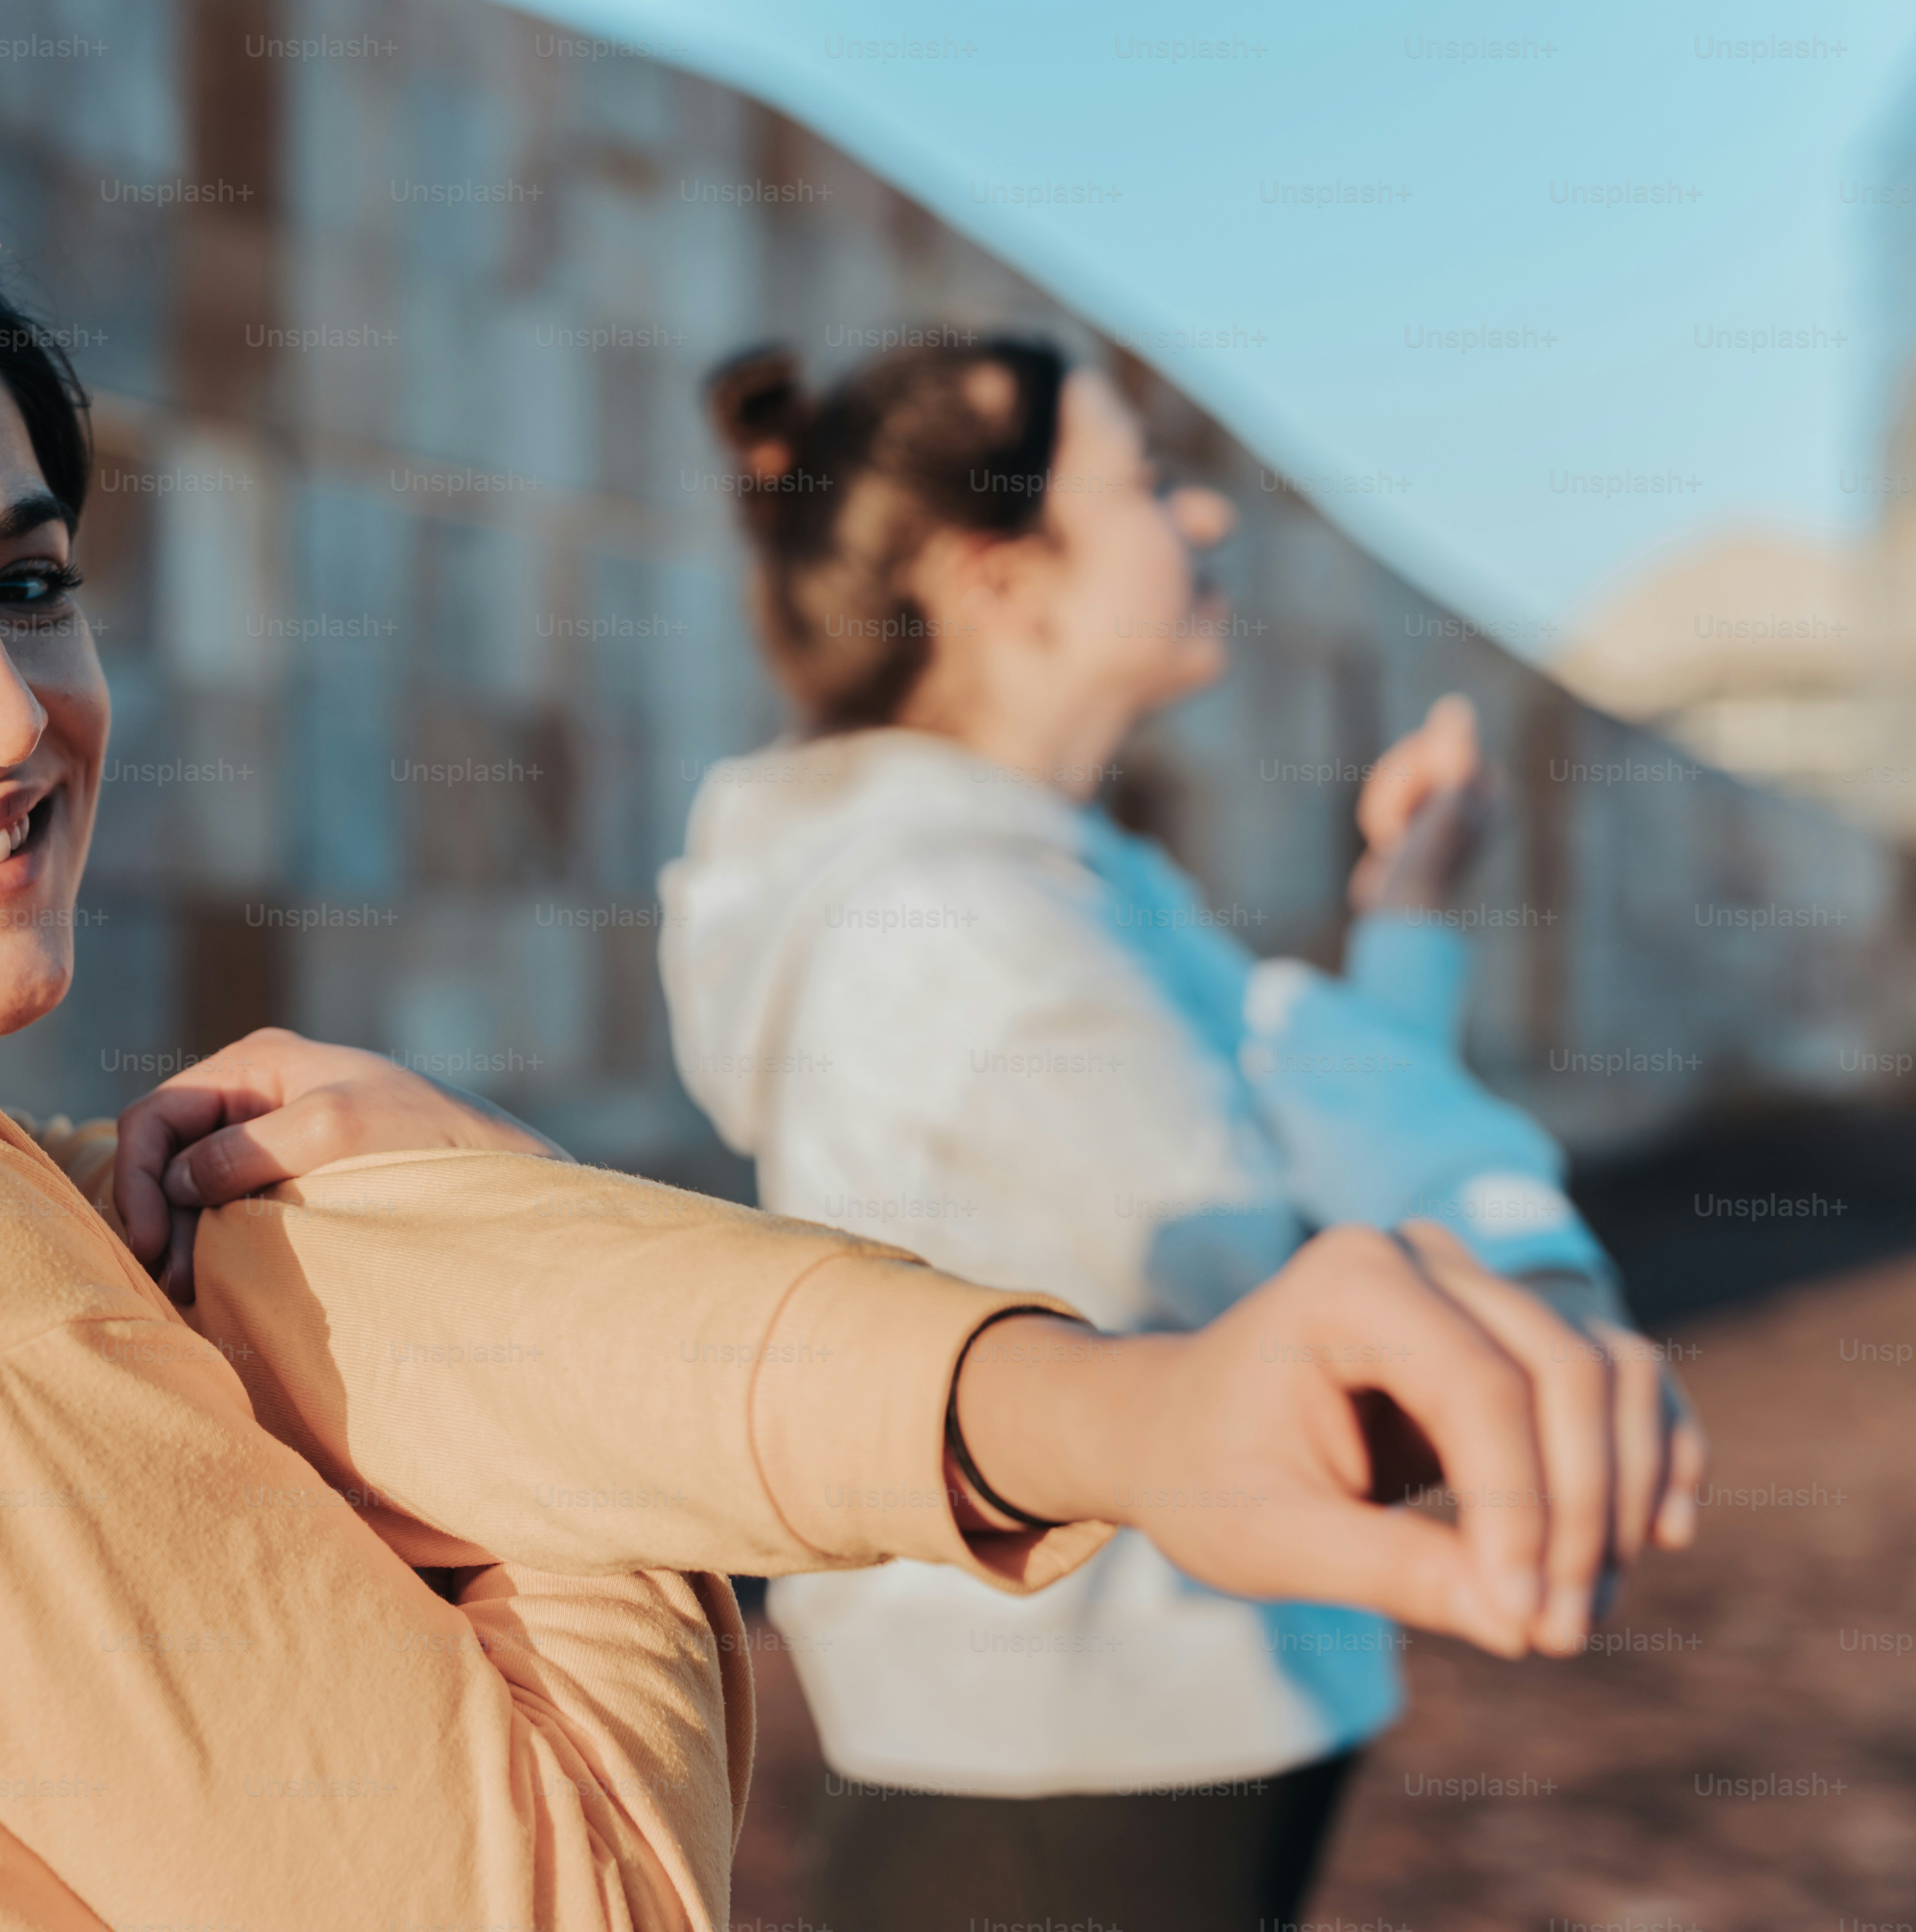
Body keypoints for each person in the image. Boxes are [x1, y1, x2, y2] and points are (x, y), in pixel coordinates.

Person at [0, 141, 1688, 1931]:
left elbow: (389, 1340)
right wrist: (510, 1257)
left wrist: (1119, 1415)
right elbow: (572, 1892)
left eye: (25, 581)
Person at [664, 336, 1709, 1928]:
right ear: (997, 575)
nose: (1206, 518)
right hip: (1074, 1775)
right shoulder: (964, 923)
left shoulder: (1062, 882)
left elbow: (1298, 1139)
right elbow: (1293, 1291)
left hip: (1128, 1732)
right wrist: (1522, 1285)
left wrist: (1407, 914)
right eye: (1147, 482)